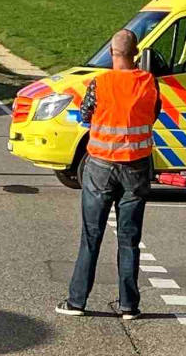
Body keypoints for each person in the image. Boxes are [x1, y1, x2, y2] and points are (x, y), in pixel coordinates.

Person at [57, 29, 160, 321]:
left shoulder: (99, 83)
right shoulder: (148, 82)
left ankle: (77, 301)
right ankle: (129, 305)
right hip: (136, 168)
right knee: (129, 238)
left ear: (113, 53)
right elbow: (154, 114)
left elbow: (86, 115)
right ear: (136, 54)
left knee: (91, 234)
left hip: (100, 167)